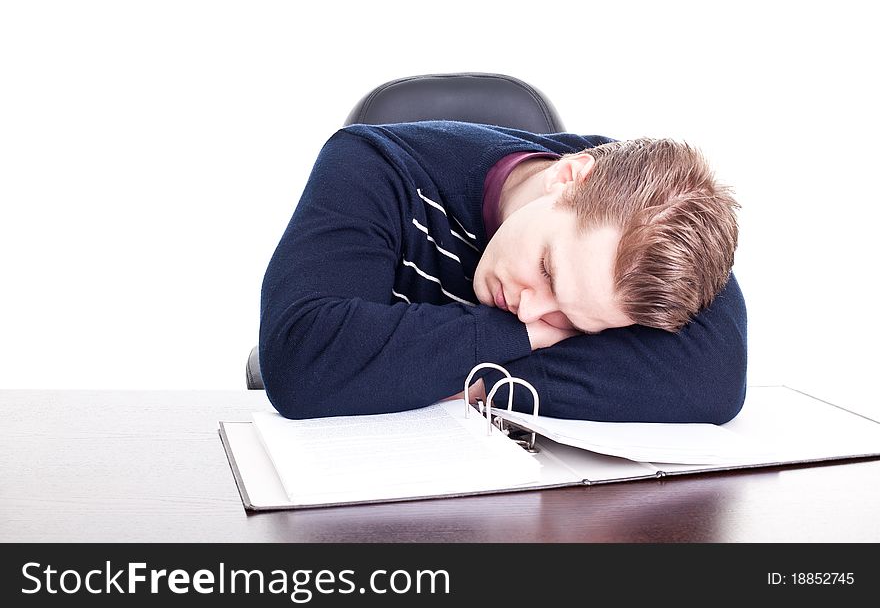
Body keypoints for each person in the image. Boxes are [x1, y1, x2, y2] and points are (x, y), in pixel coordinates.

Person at [259, 120, 746, 423]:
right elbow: (303, 361)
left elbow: (714, 380)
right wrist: (529, 342)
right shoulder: (373, 165)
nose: (530, 312)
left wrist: (451, 377)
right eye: (549, 272)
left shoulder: (658, 224)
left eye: (573, 323)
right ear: (568, 176)